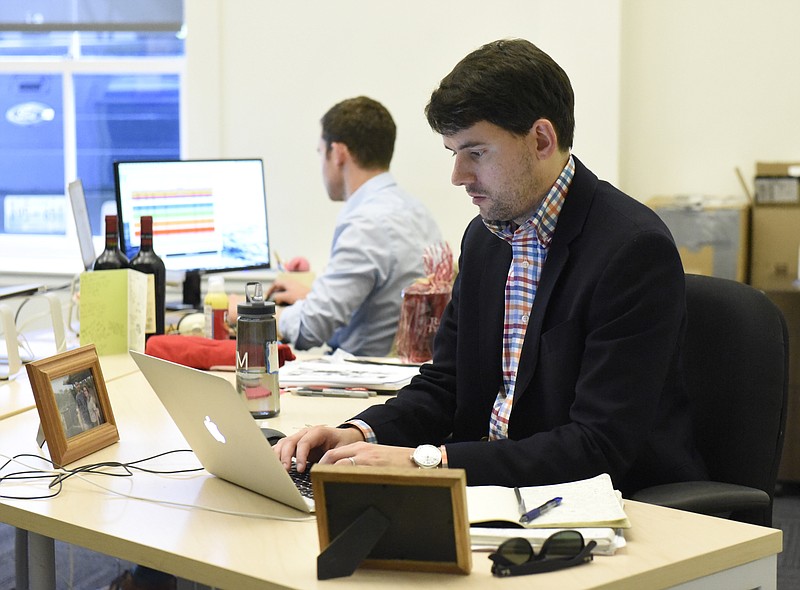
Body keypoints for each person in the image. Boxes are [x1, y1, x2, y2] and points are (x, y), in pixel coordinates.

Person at [275, 39, 708, 496]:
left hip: (606, 501)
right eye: (453, 152)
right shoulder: (486, 238)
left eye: (476, 153)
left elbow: (598, 445)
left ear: (541, 140)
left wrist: (430, 462)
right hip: (494, 486)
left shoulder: (631, 250)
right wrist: (360, 433)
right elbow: (448, 384)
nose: (458, 175)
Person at [269, 96, 443, 357]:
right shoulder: (416, 211)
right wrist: (313, 296)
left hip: (364, 379)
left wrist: (249, 312)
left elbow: (310, 329)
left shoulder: (366, 223)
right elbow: (380, 303)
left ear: (338, 153)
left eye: (321, 153)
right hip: (405, 372)